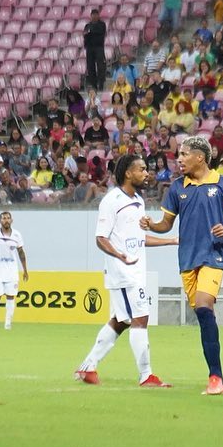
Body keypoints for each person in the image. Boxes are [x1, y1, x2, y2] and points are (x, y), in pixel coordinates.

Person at [141, 136, 223, 395]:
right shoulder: (177, 188)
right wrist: (151, 225)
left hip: (213, 255)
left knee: (203, 305)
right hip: (187, 259)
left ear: (200, 157)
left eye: (184, 154)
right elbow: (166, 224)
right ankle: (216, 376)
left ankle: (216, 378)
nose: (179, 159)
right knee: (202, 315)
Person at [75, 154, 179, 386]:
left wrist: (170, 241)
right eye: (141, 169)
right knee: (140, 317)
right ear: (128, 173)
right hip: (123, 271)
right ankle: (146, 375)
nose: (146, 173)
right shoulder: (111, 201)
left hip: (135, 270)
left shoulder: (139, 201)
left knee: (121, 321)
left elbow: (139, 239)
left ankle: (87, 367)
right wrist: (118, 255)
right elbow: (100, 238)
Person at [83, 8, 107, 90]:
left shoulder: (102, 24)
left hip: (99, 47)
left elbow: (100, 32)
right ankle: (93, 85)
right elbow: (85, 35)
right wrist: (89, 33)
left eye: (96, 14)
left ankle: (101, 84)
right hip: (89, 48)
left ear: (98, 15)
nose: (94, 16)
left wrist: (90, 32)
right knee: (90, 67)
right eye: (93, 15)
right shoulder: (87, 25)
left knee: (101, 66)